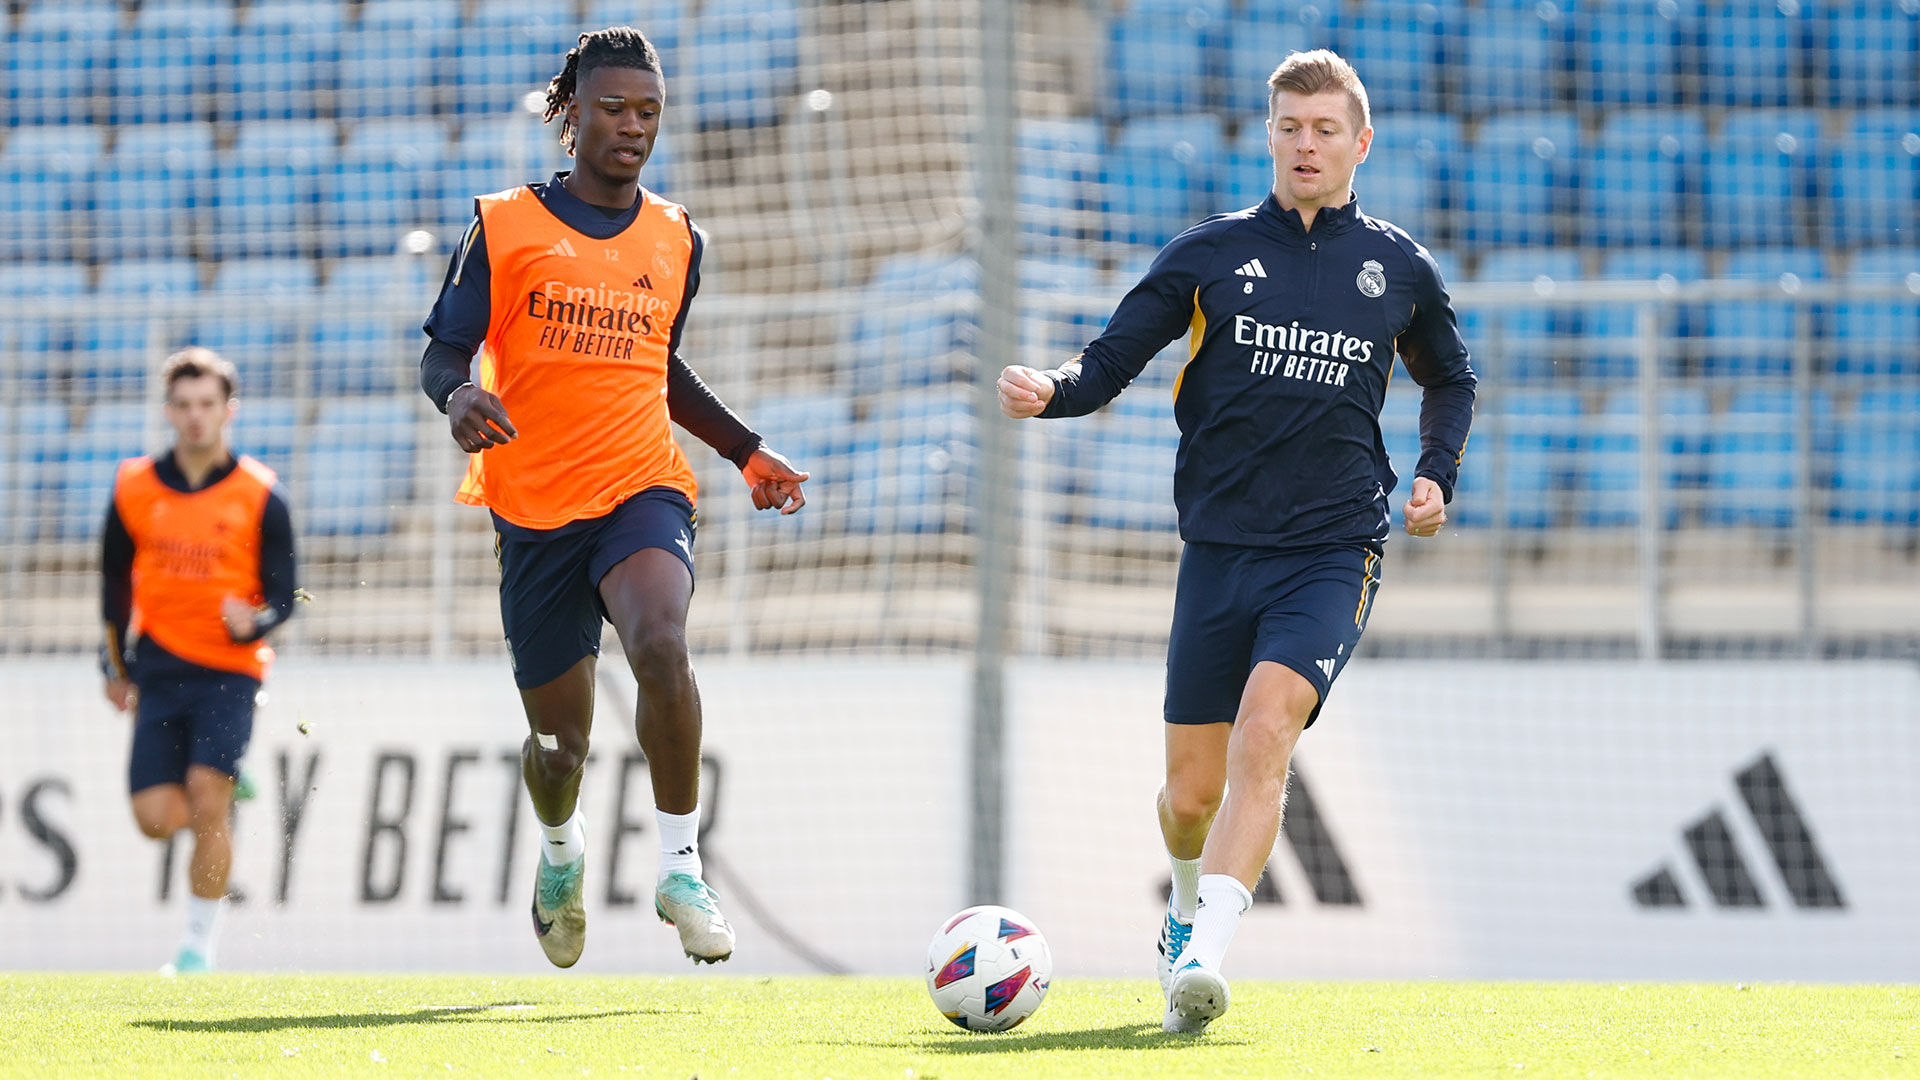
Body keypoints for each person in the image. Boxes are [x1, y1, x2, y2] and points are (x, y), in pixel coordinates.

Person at [999, 50, 1477, 1033]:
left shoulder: (1399, 269)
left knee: (1269, 732)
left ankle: (1204, 962)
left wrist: (1436, 472)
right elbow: (1109, 359)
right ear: (1269, 136)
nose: (1308, 145)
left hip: (1335, 549)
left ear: (1361, 142)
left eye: (1326, 129)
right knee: (1188, 797)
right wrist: (1052, 392)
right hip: (1218, 551)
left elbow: (1451, 379)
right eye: (1291, 128)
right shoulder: (1208, 255)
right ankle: (1183, 917)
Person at [418, 25, 808, 970]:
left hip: (642, 486)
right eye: (614, 109)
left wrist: (744, 450)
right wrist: (460, 395)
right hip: (535, 507)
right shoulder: (505, 224)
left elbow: (656, 366)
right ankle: (561, 851)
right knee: (559, 746)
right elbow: (442, 350)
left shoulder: (678, 237)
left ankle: (680, 867)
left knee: (662, 644)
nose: (633, 127)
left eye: (649, 112)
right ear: (572, 116)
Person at [101, 347, 298, 975]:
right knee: (155, 819)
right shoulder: (133, 485)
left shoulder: (261, 494)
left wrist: (259, 619)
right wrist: (114, 665)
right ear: (168, 411)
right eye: (183, 405)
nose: (194, 417)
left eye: (207, 404)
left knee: (206, 799)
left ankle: (195, 950)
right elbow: (112, 583)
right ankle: (225, 786)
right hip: (158, 665)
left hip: (230, 671)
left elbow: (286, 594)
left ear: (228, 410)